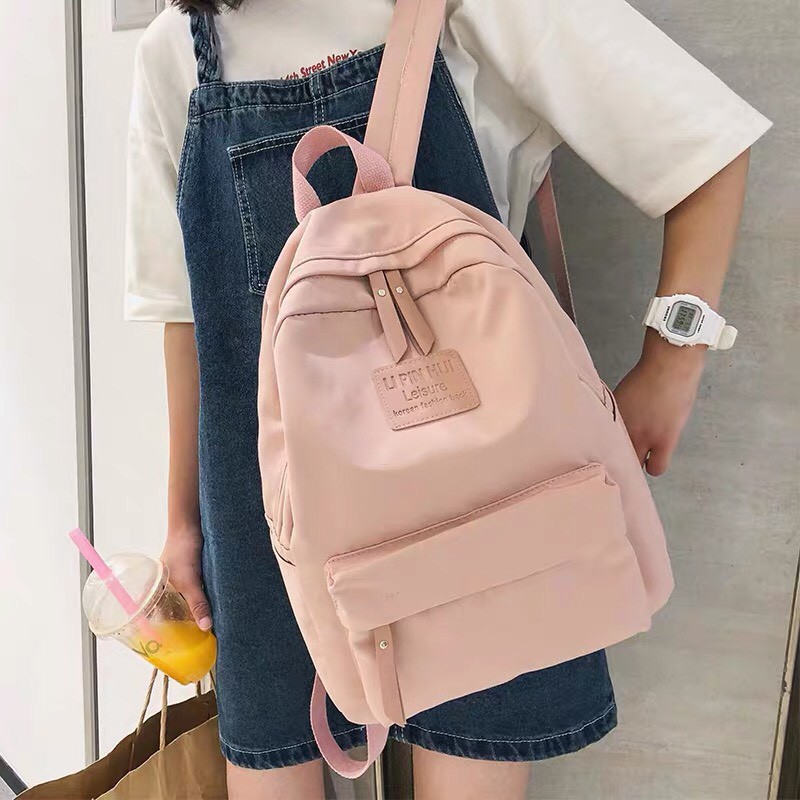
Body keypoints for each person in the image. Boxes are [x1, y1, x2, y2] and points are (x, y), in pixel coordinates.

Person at [124, 1, 770, 797]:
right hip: (272, 508)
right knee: (272, 774)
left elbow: (702, 145)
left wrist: (671, 369)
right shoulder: (177, 54)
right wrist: (182, 521)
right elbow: (187, 312)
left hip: (482, 494)